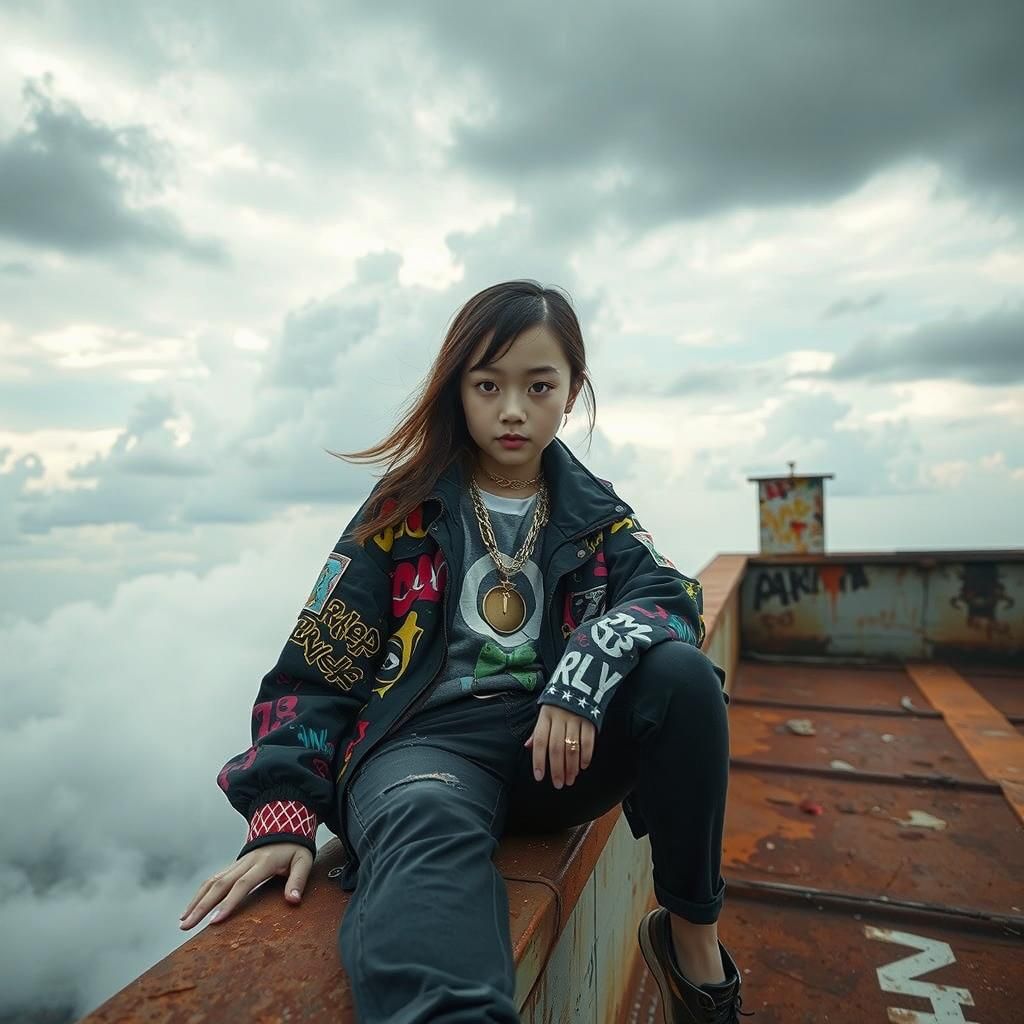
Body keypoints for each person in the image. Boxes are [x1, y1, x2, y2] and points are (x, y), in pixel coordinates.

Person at [179, 280, 752, 1023]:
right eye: (488, 385)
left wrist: (582, 671)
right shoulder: (402, 511)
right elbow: (319, 661)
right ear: (458, 388)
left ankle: (692, 952)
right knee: (426, 824)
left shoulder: (597, 515)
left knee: (685, 679)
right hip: (426, 752)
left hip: (555, 754)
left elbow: (673, 600)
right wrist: (283, 812)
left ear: (572, 391)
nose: (513, 409)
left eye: (538, 386)